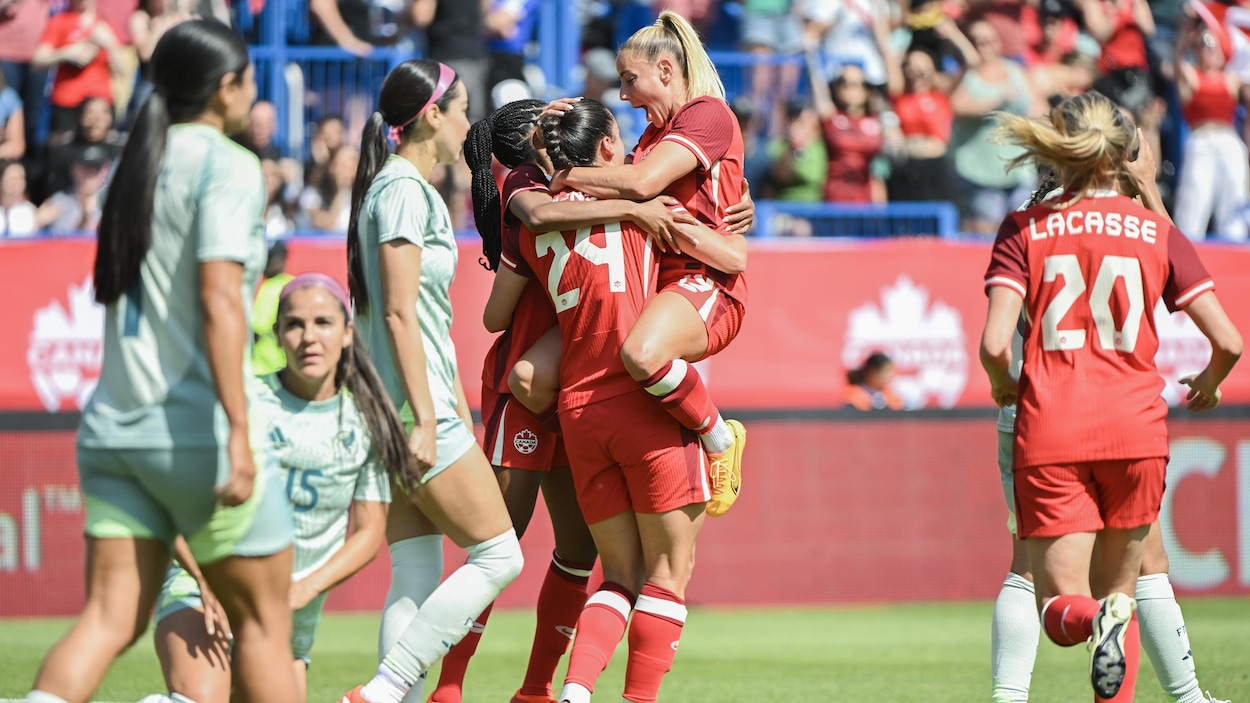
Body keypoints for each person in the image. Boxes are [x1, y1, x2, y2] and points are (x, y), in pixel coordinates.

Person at [23, 19, 300, 703]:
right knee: (265, 625)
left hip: (114, 427)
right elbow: (219, 300)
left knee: (107, 620)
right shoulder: (230, 163)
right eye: (248, 78)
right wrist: (239, 431)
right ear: (227, 87)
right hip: (194, 434)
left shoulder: (135, 160)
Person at [980, 91, 1242, 701]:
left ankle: (1010, 697)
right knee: (1134, 577)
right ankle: (1186, 695)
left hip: (1044, 410)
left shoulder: (1028, 220)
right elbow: (1223, 333)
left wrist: (1004, 385)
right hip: (1132, 419)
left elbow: (1000, 338)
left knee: (1043, 580)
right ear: (1123, 153)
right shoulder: (1149, 226)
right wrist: (1206, 383)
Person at [338, 59, 524, 703]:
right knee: (500, 556)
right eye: (463, 108)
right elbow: (395, 310)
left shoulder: (394, 188)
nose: (470, 123)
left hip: (393, 409)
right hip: (416, 412)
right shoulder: (403, 190)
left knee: (415, 572)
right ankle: (387, 689)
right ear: (433, 115)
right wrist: (422, 417)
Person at [517, 97, 712, 703]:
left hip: (579, 411)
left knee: (618, 576)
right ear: (606, 149)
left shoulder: (537, 226)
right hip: (641, 403)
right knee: (667, 574)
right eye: (620, 138)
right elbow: (724, 258)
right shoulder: (643, 212)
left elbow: (502, 309)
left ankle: (574, 693)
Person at [150, 273, 405, 703]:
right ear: (277, 335)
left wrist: (303, 590)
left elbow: (367, 534)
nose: (309, 337)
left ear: (347, 334)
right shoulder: (242, 403)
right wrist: (207, 581)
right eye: (294, 324)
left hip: (289, 622)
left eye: (323, 323)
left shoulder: (367, 419)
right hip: (204, 592)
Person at [547, 10, 749, 519]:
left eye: (628, 79)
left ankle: (721, 439)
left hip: (707, 284)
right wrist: (547, 137)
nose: (623, 95)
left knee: (640, 353)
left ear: (665, 69)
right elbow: (629, 183)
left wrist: (565, 176)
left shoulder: (707, 113)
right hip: (661, 285)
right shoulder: (647, 141)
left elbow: (638, 187)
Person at [1171, 17, 1247, 241]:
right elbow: (1177, 59)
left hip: (1229, 140)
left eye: (1214, 44)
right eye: (1205, 44)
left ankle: (1237, 252)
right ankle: (1188, 249)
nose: (1211, 49)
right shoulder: (1192, 76)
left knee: (1234, 199)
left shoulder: (1232, 79)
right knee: (1194, 199)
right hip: (1202, 140)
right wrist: (1188, 32)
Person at [251, 242, 294, 376]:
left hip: (265, 367)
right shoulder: (294, 284)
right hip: (289, 365)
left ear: (281, 260)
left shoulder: (270, 288)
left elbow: (256, 329)